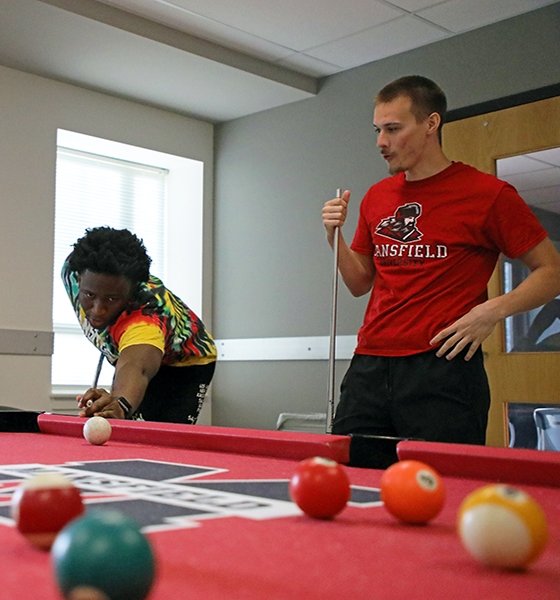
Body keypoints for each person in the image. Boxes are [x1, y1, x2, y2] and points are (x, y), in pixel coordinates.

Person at [321, 75, 560, 444]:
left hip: (443, 365)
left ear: (431, 124)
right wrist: (333, 237)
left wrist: (491, 311)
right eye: (377, 130)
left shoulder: (488, 194)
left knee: (442, 486)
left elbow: (551, 271)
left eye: (393, 129)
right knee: (355, 479)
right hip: (370, 363)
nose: (381, 143)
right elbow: (359, 284)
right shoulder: (376, 196)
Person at [62, 226, 217, 423]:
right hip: (129, 352)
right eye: (89, 295)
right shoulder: (71, 271)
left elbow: (137, 367)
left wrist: (120, 404)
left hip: (183, 364)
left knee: (159, 438)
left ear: (131, 294)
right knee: (121, 424)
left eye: (111, 299)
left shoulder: (145, 321)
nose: (97, 310)